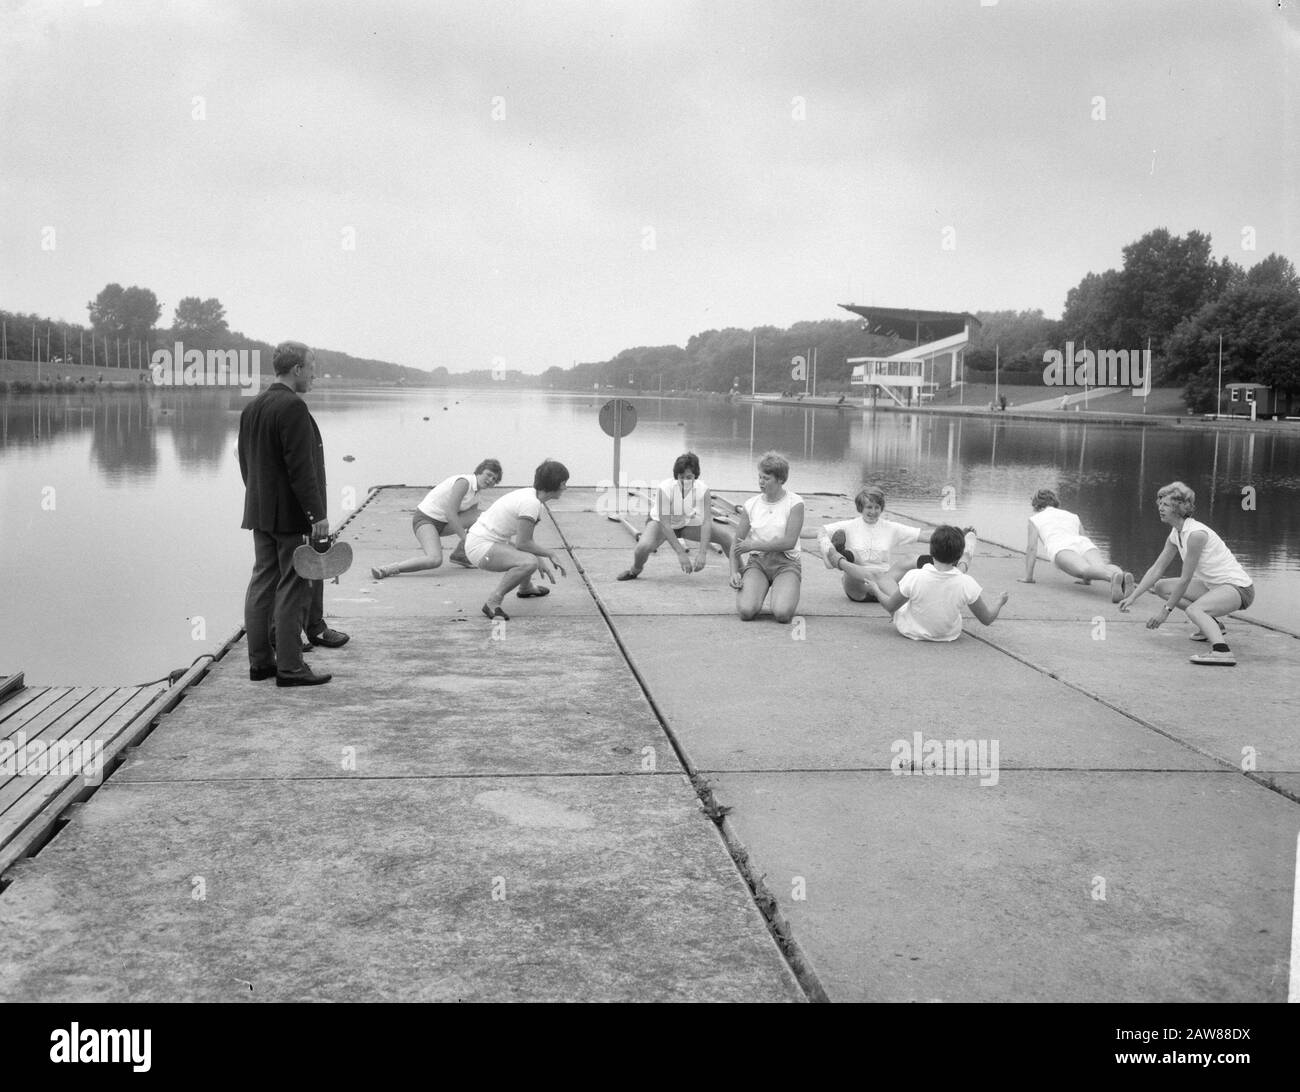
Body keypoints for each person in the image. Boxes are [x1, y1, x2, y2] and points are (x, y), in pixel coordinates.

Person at [238, 341, 333, 686]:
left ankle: (261, 663)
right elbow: (300, 468)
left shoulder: (254, 406)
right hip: (291, 515)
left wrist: (258, 498)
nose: (313, 374)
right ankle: (291, 667)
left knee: (263, 582)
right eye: (311, 367)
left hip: (260, 511)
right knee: (295, 585)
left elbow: (245, 462)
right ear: (296, 370)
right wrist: (316, 513)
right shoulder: (292, 406)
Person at [1117, 481, 1254, 666]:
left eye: (1165, 505)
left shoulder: (1196, 534)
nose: (1160, 508)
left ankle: (1222, 652)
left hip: (1239, 589)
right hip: (1214, 587)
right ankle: (1214, 625)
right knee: (1161, 587)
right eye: (1159, 504)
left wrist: (1164, 613)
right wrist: (1133, 596)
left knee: (1194, 609)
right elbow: (1157, 569)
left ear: (1178, 508)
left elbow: (1185, 579)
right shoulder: (1176, 533)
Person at [842, 525, 1007, 641]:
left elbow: (890, 606)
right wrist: (1000, 602)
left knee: (881, 579)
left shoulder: (915, 576)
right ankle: (967, 553)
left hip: (910, 630)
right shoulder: (967, 583)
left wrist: (876, 590)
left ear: (931, 553)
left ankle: (839, 560)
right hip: (948, 634)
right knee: (960, 576)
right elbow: (987, 619)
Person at [466, 459, 570, 620]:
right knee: (528, 562)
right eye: (564, 483)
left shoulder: (533, 497)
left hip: (485, 542)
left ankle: (526, 587)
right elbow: (523, 543)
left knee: (530, 558)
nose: (565, 487)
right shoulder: (531, 504)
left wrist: (539, 556)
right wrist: (549, 554)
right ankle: (493, 602)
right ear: (557, 484)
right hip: (481, 549)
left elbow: (526, 539)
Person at [371, 459, 503, 579]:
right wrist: (467, 541)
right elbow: (450, 513)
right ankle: (388, 569)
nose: (490, 480)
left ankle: (461, 555)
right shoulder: (464, 482)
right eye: (488, 475)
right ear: (479, 472)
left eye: (494, 479)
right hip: (426, 521)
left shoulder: (476, 494)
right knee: (434, 560)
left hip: (444, 524)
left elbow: (473, 521)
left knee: (481, 516)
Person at [616, 452, 733, 579]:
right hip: (660, 524)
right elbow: (666, 525)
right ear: (676, 476)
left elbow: (706, 522)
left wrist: (702, 553)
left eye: (689, 477)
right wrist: (681, 554)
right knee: (642, 548)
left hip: (685, 522)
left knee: (726, 537)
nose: (684, 481)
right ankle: (635, 570)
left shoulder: (703, 489)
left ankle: (740, 571)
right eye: (681, 477)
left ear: (695, 476)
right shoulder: (665, 489)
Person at [817, 486, 939, 603]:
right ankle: (841, 554)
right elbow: (822, 531)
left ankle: (945, 564)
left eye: (877, 507)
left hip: (885, 584)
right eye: (869, 507)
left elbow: (922, 535)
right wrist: (824, 544)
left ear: (881, 508)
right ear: (861, 508)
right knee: (854, 555)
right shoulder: (849, 525)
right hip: (859, 588)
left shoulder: (891, 528)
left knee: (910, 558)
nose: (873, 512)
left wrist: (951, 538)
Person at [1019, 488, 1133, 602]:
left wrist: (1028, 577)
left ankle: (1113, 578)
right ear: (1054, 501)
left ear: (1036, 504)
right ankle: (1122, 575)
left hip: (1061, 547)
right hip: (1083, 544)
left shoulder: (1035, 519)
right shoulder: (1072, 515)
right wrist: (1087, 580)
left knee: (1084, 569)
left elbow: (1032, 548)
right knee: (1101, 566)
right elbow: (1084, 537)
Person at [729, 452, 804, 623]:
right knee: (746, 612)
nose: (761, 482)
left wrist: (754, 544)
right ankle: (756, 587)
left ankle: (786, 589)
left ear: (780, 480)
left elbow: (789, 542)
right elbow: (736, 543)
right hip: (759, 563)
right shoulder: (751, 504)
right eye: (760, 477)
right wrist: (733, 572)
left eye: (766, 478)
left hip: (786, 563)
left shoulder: (795, 503)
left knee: (782, 614)